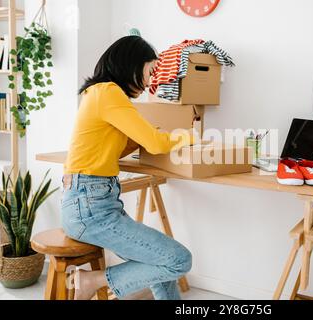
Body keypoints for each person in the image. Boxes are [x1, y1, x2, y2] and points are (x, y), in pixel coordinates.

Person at [61, 35, 193, 300]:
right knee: (179, 260)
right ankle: (92, 280)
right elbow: (156, 144)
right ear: (132, 64)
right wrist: (188, 135)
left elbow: (114, 147)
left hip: (92, 202)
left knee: (161, 263)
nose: (149, 80)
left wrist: (143, 139)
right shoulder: (108, 93)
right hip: (91, 209)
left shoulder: (99, 94)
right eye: (149, 71)